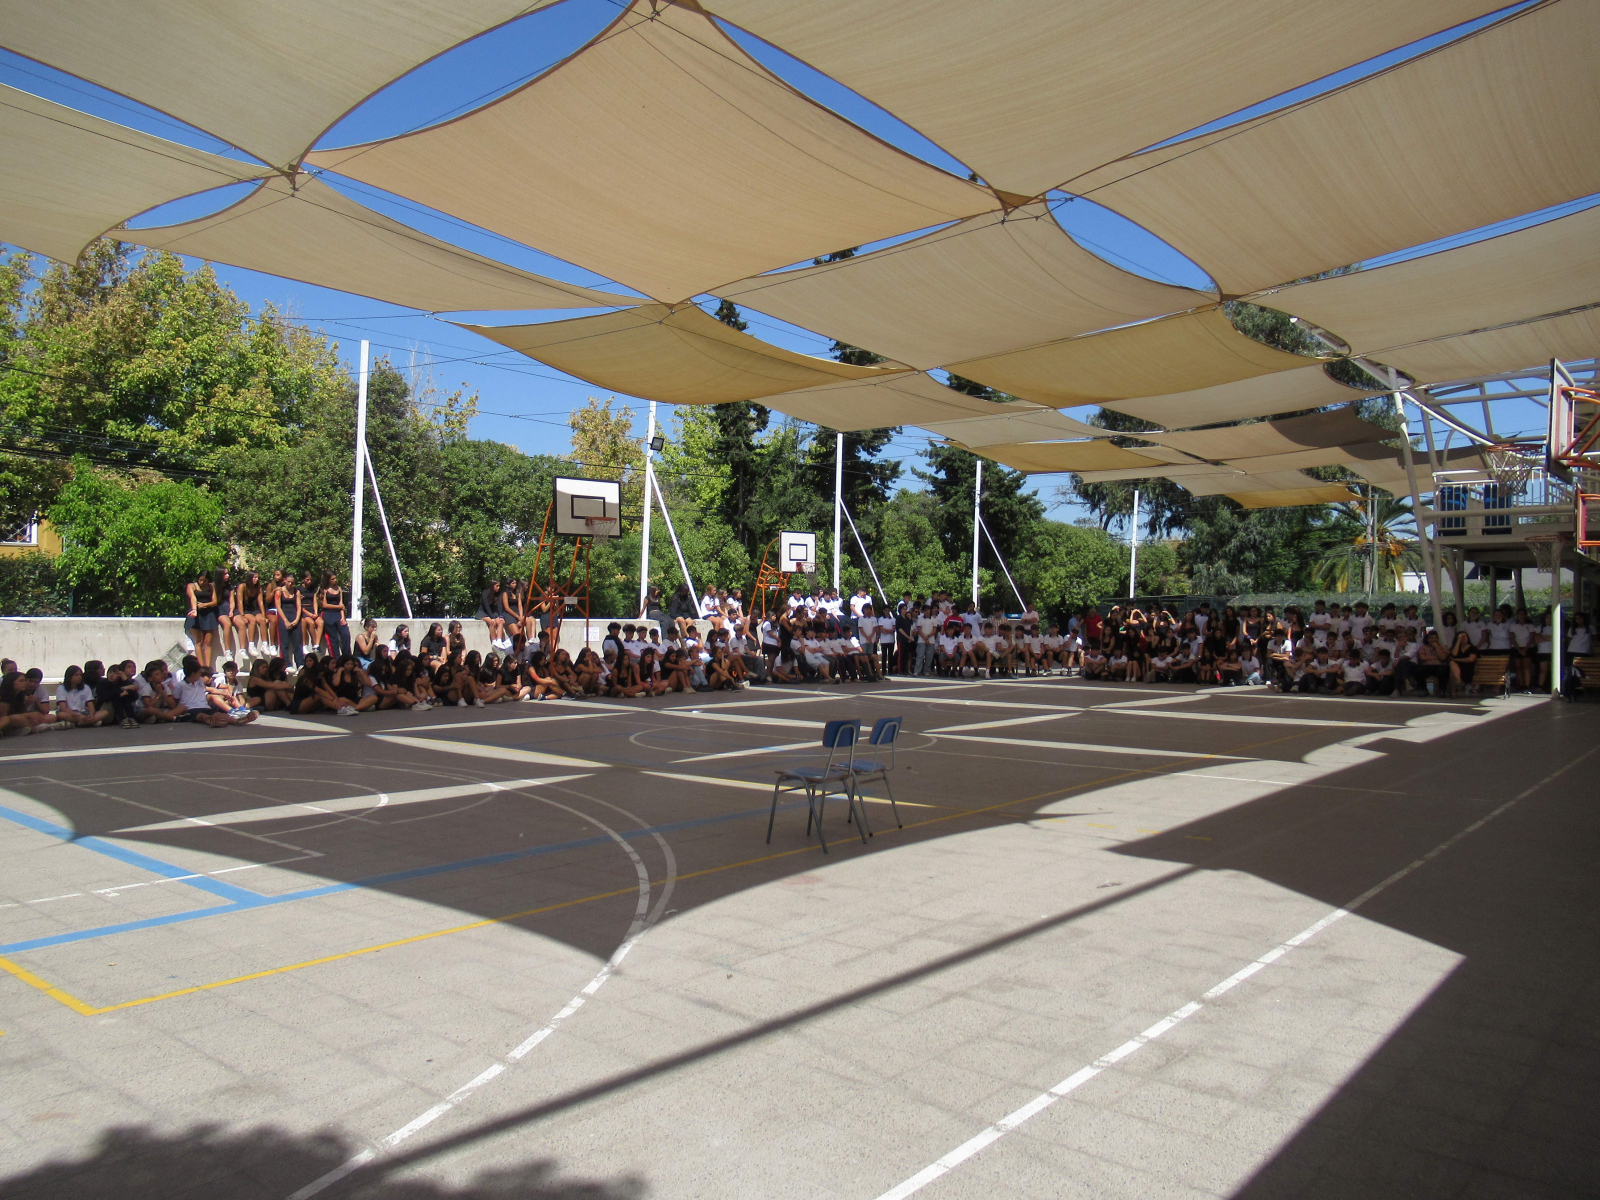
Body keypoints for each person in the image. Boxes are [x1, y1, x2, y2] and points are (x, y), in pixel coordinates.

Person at [321, 572, 351, 658]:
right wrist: (338, 607)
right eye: (332, 579)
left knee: (345, 635)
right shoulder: (324, 590)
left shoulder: (339, 589)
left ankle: (346, 657)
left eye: (335, 578)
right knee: (334, 639)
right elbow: (324, 605)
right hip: (328, 614)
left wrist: (343, 617)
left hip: (338, 614)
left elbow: (341, 603)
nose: (335, 580)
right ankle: (336, 659)